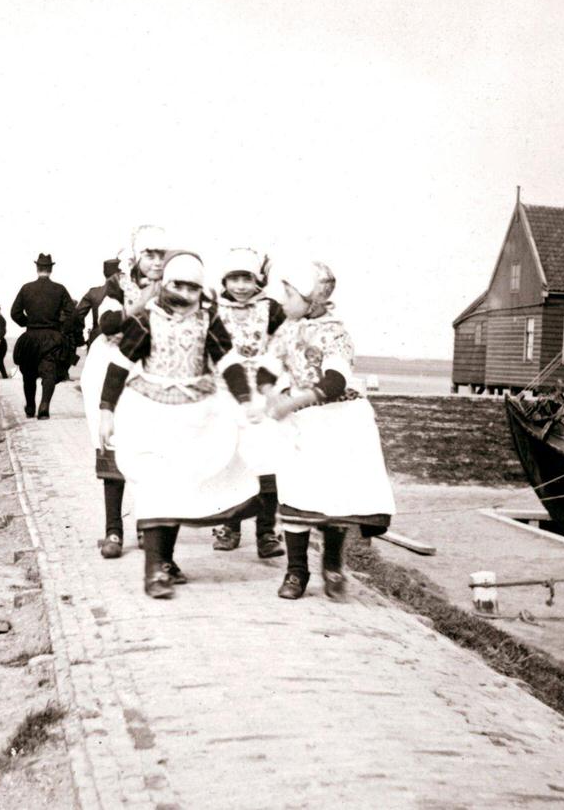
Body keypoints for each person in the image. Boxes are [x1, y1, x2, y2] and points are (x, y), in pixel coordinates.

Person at [97, 251, 258, 599]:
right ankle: (154, 570)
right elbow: (120, 365)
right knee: (156, 485)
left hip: (195, 415)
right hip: (150, 413)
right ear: (165, 284)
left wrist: (245, 400)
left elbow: (228, 362)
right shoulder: (145, 320)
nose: (184, 293)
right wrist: (106, 410)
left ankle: (165, 560)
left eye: (192, 287)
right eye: (178, 285)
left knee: (179, 489)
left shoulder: (208, 321)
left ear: (202, 289)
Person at [257, 260, 395, 601]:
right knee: (295, 494)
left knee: (332, 497)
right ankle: (296, 570)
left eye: (289, 293)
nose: (284, 300)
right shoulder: (287, 330)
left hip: (336, 421)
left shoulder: (334, 331)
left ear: (310, 299)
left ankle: (332, 563)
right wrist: (270, 392)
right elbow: (267, 368)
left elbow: (335, 380)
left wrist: (295, 400)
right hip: (301, 425)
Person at [80, 228, 165, 560]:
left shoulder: (176, 286)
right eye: (150, 254)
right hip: (114, 367)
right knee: (112, 444)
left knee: (150, 449)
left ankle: (147, 524)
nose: (156, 262)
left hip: (153, 369)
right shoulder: (119, 286)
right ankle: (113, 529)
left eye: (162, 255)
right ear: (137, 256)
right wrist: (139, 306)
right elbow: (110, 323)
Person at [211, 248, 287, 559]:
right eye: (235, 279)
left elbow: (288, 339)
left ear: (257, 279)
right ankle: (230, 526)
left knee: (267, 462)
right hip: (224, 391)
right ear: (225, 280)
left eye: (247, 279)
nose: (241, 286)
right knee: (231, 460)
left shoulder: (271, 309)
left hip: (262, 391)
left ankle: (266, 531)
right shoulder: (214, 309)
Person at [10, 253, 73, 420]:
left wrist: (27, 323)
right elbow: (71, 314)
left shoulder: (26, 288)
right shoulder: (60, 289)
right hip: (52, 336)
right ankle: (44, 405)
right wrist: (61, 329)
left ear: (37, 268)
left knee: (28, 372)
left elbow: (14, 313)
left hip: (30, 336)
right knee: (49, 372)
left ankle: (30, 406)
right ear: (51, 269)